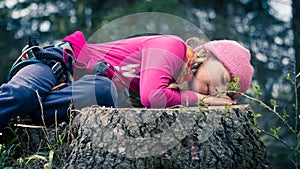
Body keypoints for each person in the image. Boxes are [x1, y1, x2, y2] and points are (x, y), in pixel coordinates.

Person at [0, 31, 254, 128]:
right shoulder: (172, 47)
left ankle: (22, 115)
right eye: (222, 76)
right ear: (206, 55)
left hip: (75, 90)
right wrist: (202, 100)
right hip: (56, 63)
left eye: (224, 93)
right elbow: (151, 96)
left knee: (103, 91)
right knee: (22, 95)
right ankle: (18, 106)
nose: (217, 89)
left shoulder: (175, 92)